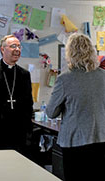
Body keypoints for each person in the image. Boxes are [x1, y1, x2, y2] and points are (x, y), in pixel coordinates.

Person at [46, 33, 105, 181]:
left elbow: (51, 112)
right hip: (101, 138)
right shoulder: (103, 76)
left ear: (70, 53)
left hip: (74, 141)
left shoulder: (65, 79)